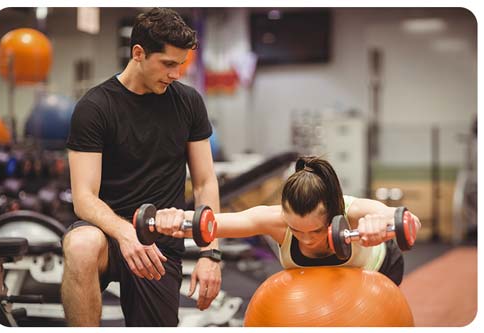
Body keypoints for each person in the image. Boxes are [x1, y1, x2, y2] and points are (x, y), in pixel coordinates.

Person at [61, 8, 221, 327]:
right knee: (80, 245)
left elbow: (204, 182)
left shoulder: (189, 103)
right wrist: (124, 233)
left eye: (181, 65)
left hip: (158, 244)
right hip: (108, 234)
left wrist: (210, 254)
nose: (176, 74)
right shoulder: (95, 108)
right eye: (168, 64)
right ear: (138, 53)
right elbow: (84, 198)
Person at [154, 156, 421, 286]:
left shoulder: (353, 211)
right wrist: (171, 218)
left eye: (315, 231)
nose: (305, 239)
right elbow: (213, 222)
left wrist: (378, 225)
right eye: (296, 230)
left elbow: (410, 221)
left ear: (334, 214)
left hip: (379, 273)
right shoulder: (274, 221)